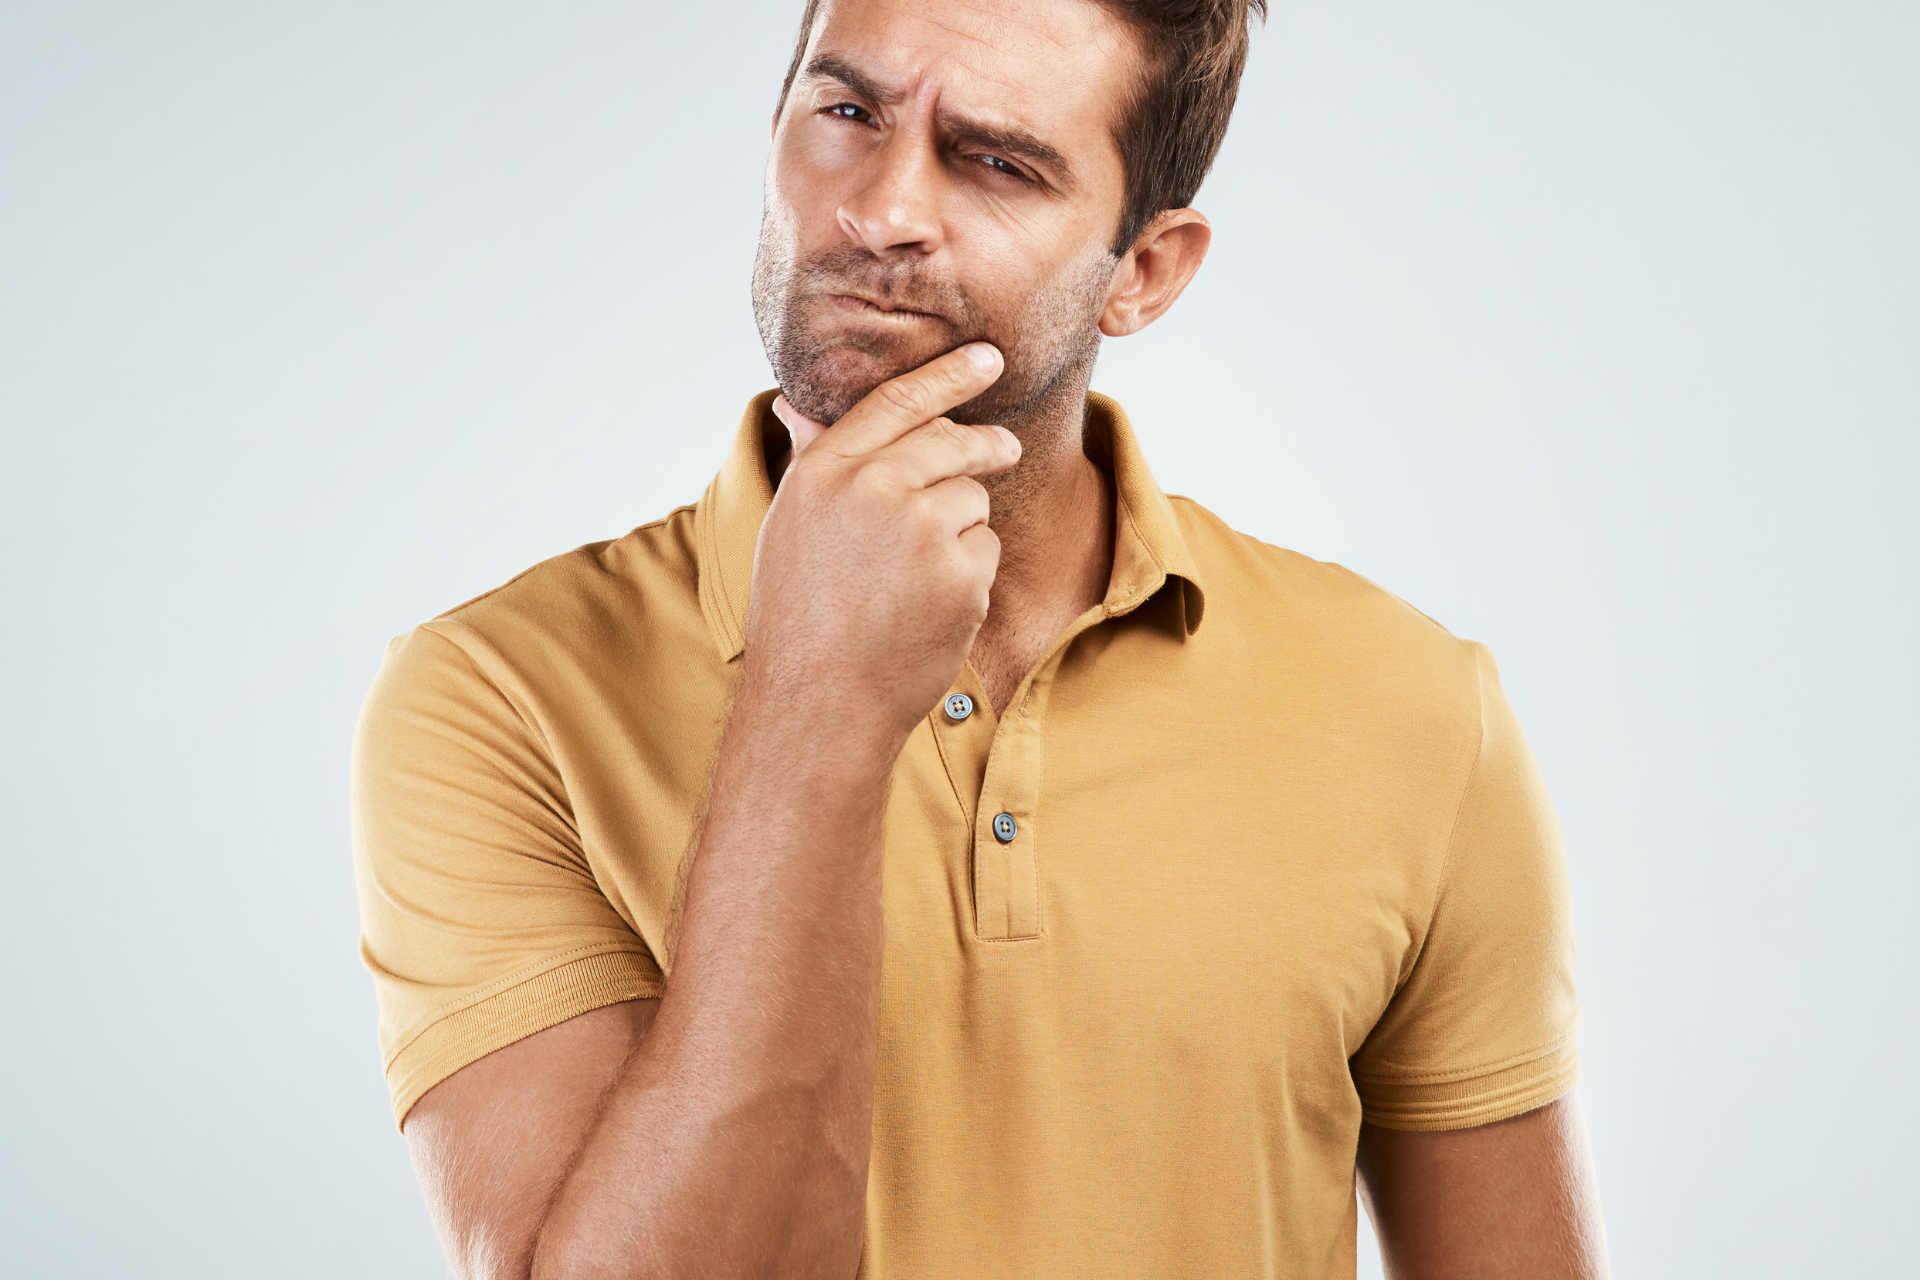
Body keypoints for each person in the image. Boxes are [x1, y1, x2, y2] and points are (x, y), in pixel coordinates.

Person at [350, 0, 1610, 1275]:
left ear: (1145, 272)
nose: (879, 209)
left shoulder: (1414, 709)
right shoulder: (494, 700)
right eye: (846, 113)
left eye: (996, 160)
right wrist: (816, 699)